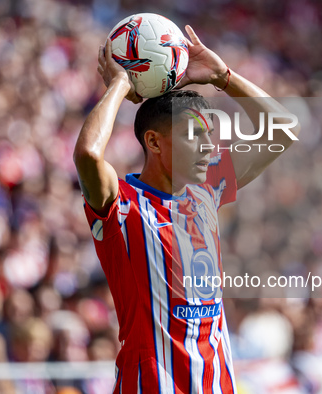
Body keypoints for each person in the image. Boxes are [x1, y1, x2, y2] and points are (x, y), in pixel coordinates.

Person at [73, 24, 299, 394]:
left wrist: (223, 77)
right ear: (154, 142)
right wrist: (120, 85)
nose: (208, 147)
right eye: (194, 135)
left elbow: (284, 130)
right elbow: (87, 154)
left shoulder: (206, 191)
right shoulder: (122, 202)